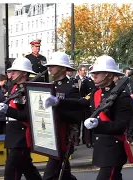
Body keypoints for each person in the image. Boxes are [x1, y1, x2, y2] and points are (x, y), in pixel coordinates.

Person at [44, 55, 133, 180]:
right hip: (101, 148)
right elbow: (81, 103)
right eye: (93, 73)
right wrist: (58, 102)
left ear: (108, 75)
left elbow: (120, 126)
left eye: (97, 73)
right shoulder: (96, 92)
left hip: (113, 150)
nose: (94, 76)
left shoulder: (122, 97)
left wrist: (98, 124)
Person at [41, 52, 81, 180]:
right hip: (50, 135)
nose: (50, 68)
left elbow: (76, 115)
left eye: (54, 65)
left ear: (63, 68)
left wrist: (57, 111)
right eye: (49, 65)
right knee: (64, 174)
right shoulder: (49, 86)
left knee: (49, 175)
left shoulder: (71, 88)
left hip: (63, 137)